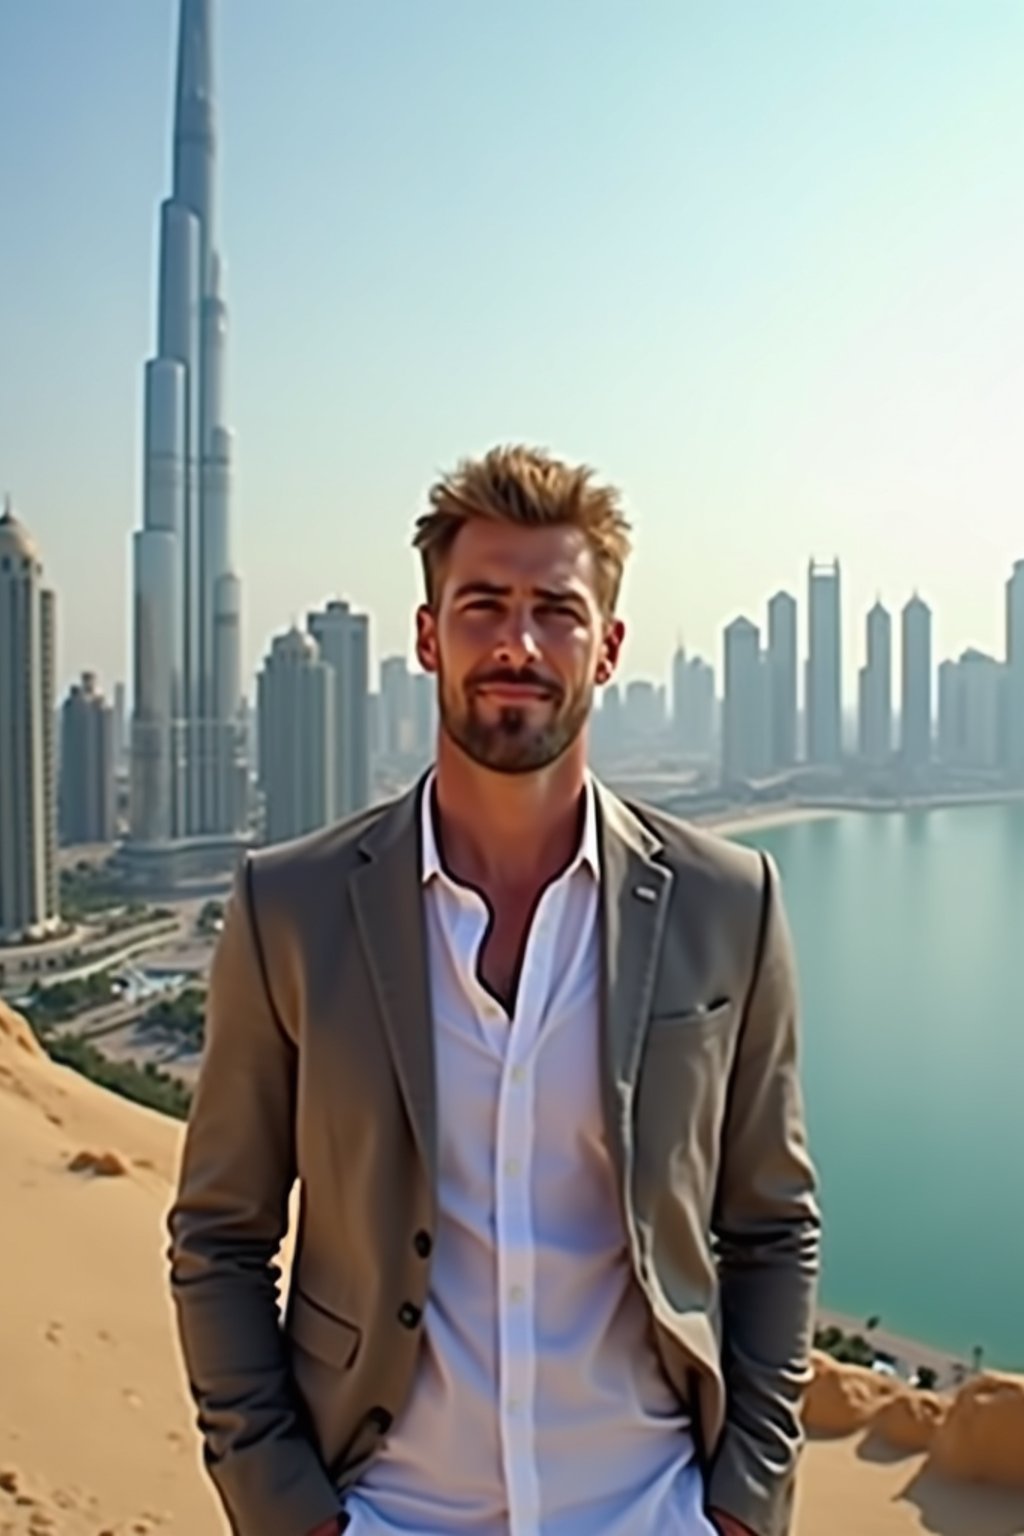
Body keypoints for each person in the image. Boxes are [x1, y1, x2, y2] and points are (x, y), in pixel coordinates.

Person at [167, 444, 821, 1536]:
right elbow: (219, 1235)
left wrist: (744, 1505)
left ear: (606, 648)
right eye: (482, 605)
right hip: (381, 1513)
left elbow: (770, 1225)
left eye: (555, 611)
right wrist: (284, 1510)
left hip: (651, 1511)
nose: (517, 643)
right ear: (428, 636)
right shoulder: (291, 906)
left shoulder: (727, 902)